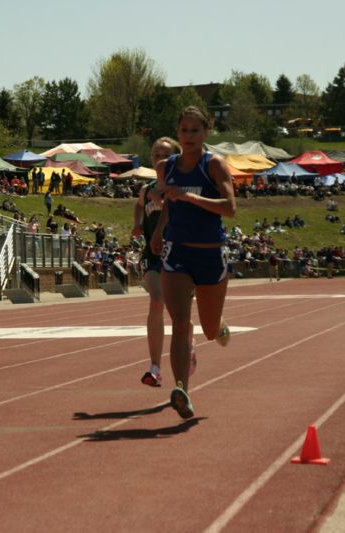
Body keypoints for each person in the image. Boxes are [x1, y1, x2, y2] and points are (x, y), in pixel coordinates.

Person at [150, 106, 237, 419]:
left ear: (205, 133)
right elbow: (168, 206)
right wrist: (159, 231)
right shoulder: (166, 167)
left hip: (211, 253)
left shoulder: (213, 165)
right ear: (177, 132)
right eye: (184, 130)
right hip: (178, 252)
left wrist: (190, 197)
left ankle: (220, 326)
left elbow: (229, 208)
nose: (188, 136)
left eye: (194, 131)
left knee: (210, 330)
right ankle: (182, 390)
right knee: (181, 322)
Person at [132, 137, 181, 388]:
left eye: (165, 155)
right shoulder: (146, 188)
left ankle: (188, 344)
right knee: (156, 300)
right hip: (153, 255)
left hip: (180, 255)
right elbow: (139, 205)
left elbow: (173, 212)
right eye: (155, 155)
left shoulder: (181, 187)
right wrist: (138, 224)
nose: (159, 160)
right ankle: (155, 367)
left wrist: (158, 198)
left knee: (178, 311)